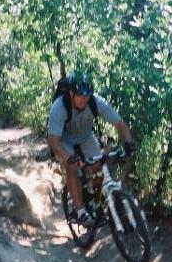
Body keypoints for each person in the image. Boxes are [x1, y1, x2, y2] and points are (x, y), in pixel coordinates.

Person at [47, 70, 135, 227]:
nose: (83, 100)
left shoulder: (96, 102)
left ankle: (96, 204)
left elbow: (119, 123)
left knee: (99, 166)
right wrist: (68, 158)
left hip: (85, 137)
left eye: (87, 96)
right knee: (72, 167)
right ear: (72, 93)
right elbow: (53, 140)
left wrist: (128, 142)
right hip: (64, 140)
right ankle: (80, 212)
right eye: (80, 96)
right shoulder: (59, 107)